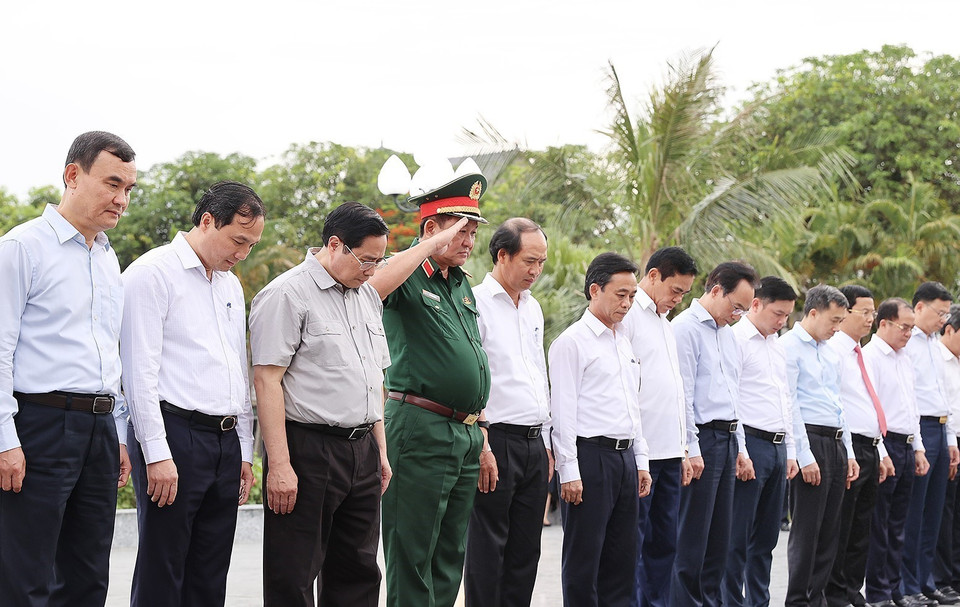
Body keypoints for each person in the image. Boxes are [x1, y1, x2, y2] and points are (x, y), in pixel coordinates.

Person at [0, 131, 136, 606]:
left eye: (128, 190)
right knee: (26, 573)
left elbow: (107, 353)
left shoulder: (106, 256)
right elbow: (0, 350)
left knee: (88, 573)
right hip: (39, 425)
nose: (121, 200)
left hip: (98, 429)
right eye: (112, 184)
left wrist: (117, 431)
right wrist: (5, 440)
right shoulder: (22, 248)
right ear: (72, 175)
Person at [121, 181, 263, 606]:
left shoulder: (230, 286)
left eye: (252, 245)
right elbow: (138, 373)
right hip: (173, 435)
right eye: (238, 240)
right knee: (163, 568)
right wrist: (156, 452)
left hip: (224, 439)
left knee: (210, 571)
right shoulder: (151, 273)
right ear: (206, 220)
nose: (243, 253)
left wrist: (243, 450)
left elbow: (237, 369)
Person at [250, 201, 392, 606]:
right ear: (335, 245)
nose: (371, 272)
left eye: (378, 263)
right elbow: (267, 379)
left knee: (360, 570)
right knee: (293, 572)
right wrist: (278, 465)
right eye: (365, 261)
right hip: (309, 449)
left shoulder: (366, 296)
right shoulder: (286, 294)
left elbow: (373, 379)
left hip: (362, 447)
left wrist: (379, 450)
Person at [368, 171, 491, 607]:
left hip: (464, 431)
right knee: (412, 552)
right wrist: (424, 249)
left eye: (473, 232)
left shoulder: (461, 284)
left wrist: (482, 435)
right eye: (460, 230)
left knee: (448, 556)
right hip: (419, 425)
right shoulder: (406, 276)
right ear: (431, 229)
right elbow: (370, 289)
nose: (468, 241)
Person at [549, 252, 652, 607]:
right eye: (620, 294)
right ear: (595, 289)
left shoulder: (623, 341)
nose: (627, 303)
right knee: (584, 560)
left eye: (633, 296)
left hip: (624, 461)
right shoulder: (572, 342)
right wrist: (569, 471)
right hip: (590, 459)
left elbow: (632, 407)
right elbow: (562, 413)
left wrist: (641, 461)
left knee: (622, 561)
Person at [464, 218, 552, 607]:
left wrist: (547, 445)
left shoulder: (533, 309)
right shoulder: (473, 302)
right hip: (494, 438)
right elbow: (472, 379)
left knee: (525, 551)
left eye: (542, 263)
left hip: (534, 443)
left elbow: (538, 374)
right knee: (487, 547)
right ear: (502, 255)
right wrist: (482, 443)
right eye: (529, 261)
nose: (536, 270)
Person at [670, 261, 758, 607]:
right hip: (701, 440)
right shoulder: (685, 329)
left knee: (719, 539)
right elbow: (685, 396)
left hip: (728, 439)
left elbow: (733, 395)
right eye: (735, 306)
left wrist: (741, 448)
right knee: (691, 538)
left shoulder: (729, 335)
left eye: (743, 309)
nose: (738, 315)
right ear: (716, 290)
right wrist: (691, 449)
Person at [620, 246, 698, 607]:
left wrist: (683, 448)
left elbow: (675, 392)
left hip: (670, 453)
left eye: (684, 293)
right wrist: (638, 455)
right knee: (635, 543)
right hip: (643, 453)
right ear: (653, 276)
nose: (678, 300)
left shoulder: (666, 326)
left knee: (665, 543)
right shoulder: (628, 317)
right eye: (676, 291)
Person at [780, 284, 860, 607]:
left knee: (831, 530)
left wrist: (850, 452)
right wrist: (803, 454)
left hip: (836, 442)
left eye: (842, 321)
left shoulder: (831, 352)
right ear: (813, 313)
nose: (837, 328)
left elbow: (840, 404)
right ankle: (798, 600)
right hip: (809, 441)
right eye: (834, 320)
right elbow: (791, 404)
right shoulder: (788, 347)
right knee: (807, 531)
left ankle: (818, 599)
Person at [722, 276, 798, 607]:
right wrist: (740, 450)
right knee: (737, 537)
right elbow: (731, 399)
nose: (782, 322)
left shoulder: (777, 345)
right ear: (756, 304)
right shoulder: (735, 340)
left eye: (787, 316)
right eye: (777, 314)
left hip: (778, 448)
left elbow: (787, 401)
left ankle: (758, 601)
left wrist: (791, 451)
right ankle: (731, 602)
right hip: (749, 444)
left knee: (766, 540)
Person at [823, 285, 895, 607]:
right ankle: (835, 592)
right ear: (845, 311)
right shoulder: (834, 351)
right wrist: (852, 452)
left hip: (869, 446)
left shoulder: (859, 352)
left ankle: (852, 589)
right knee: (842, 525)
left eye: (872, 312)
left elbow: (867, 404)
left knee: (861, 529)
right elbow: (837, 407)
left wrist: (879, 450)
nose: (870, 318)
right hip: (847, 449)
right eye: (864, 312)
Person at [862, 298, 929, 607]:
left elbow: (911, 407)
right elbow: (871, 409)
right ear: (883, 323)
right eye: (905, 327)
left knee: (898, 525)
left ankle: (894, 590)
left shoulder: (904, 358)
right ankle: (877, 593)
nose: (908, 334)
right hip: (883, 445)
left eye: (912, 329)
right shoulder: (870, 356)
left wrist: (918, 447)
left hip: (905, 442)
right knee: (880, 523)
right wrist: (880, 451)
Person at [903, 282, 960, 605]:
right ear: (920, 308)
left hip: (941, 427)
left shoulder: (935, 344)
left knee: (934, 514)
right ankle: (907, 583)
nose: (943, 319)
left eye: (946, 314)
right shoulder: (907, 343)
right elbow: (907, 398)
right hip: (920, 429)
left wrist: (951, 439)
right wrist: (919, 443)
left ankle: (926, 581)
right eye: (939, 313)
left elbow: (945, 398)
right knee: (914, 513)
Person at [935, 305, 960, 602]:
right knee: (944, 515)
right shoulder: (937, 359)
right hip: (946, 440)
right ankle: (941, 577)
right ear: (950, 329)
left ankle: (954, 576)